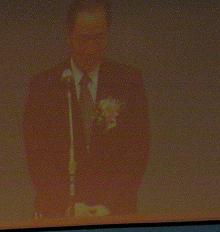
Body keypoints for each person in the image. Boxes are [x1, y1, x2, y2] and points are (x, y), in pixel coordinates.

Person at [23, 0, 150, 219]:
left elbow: (137, 152)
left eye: (99, 38)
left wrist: (108, 206)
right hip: (58, 213)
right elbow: (38, 156)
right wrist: (67, 205)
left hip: (116, 212)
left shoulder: (128, 82)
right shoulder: (43, 87)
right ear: (69, 36)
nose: (91, 48)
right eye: (83, 39)